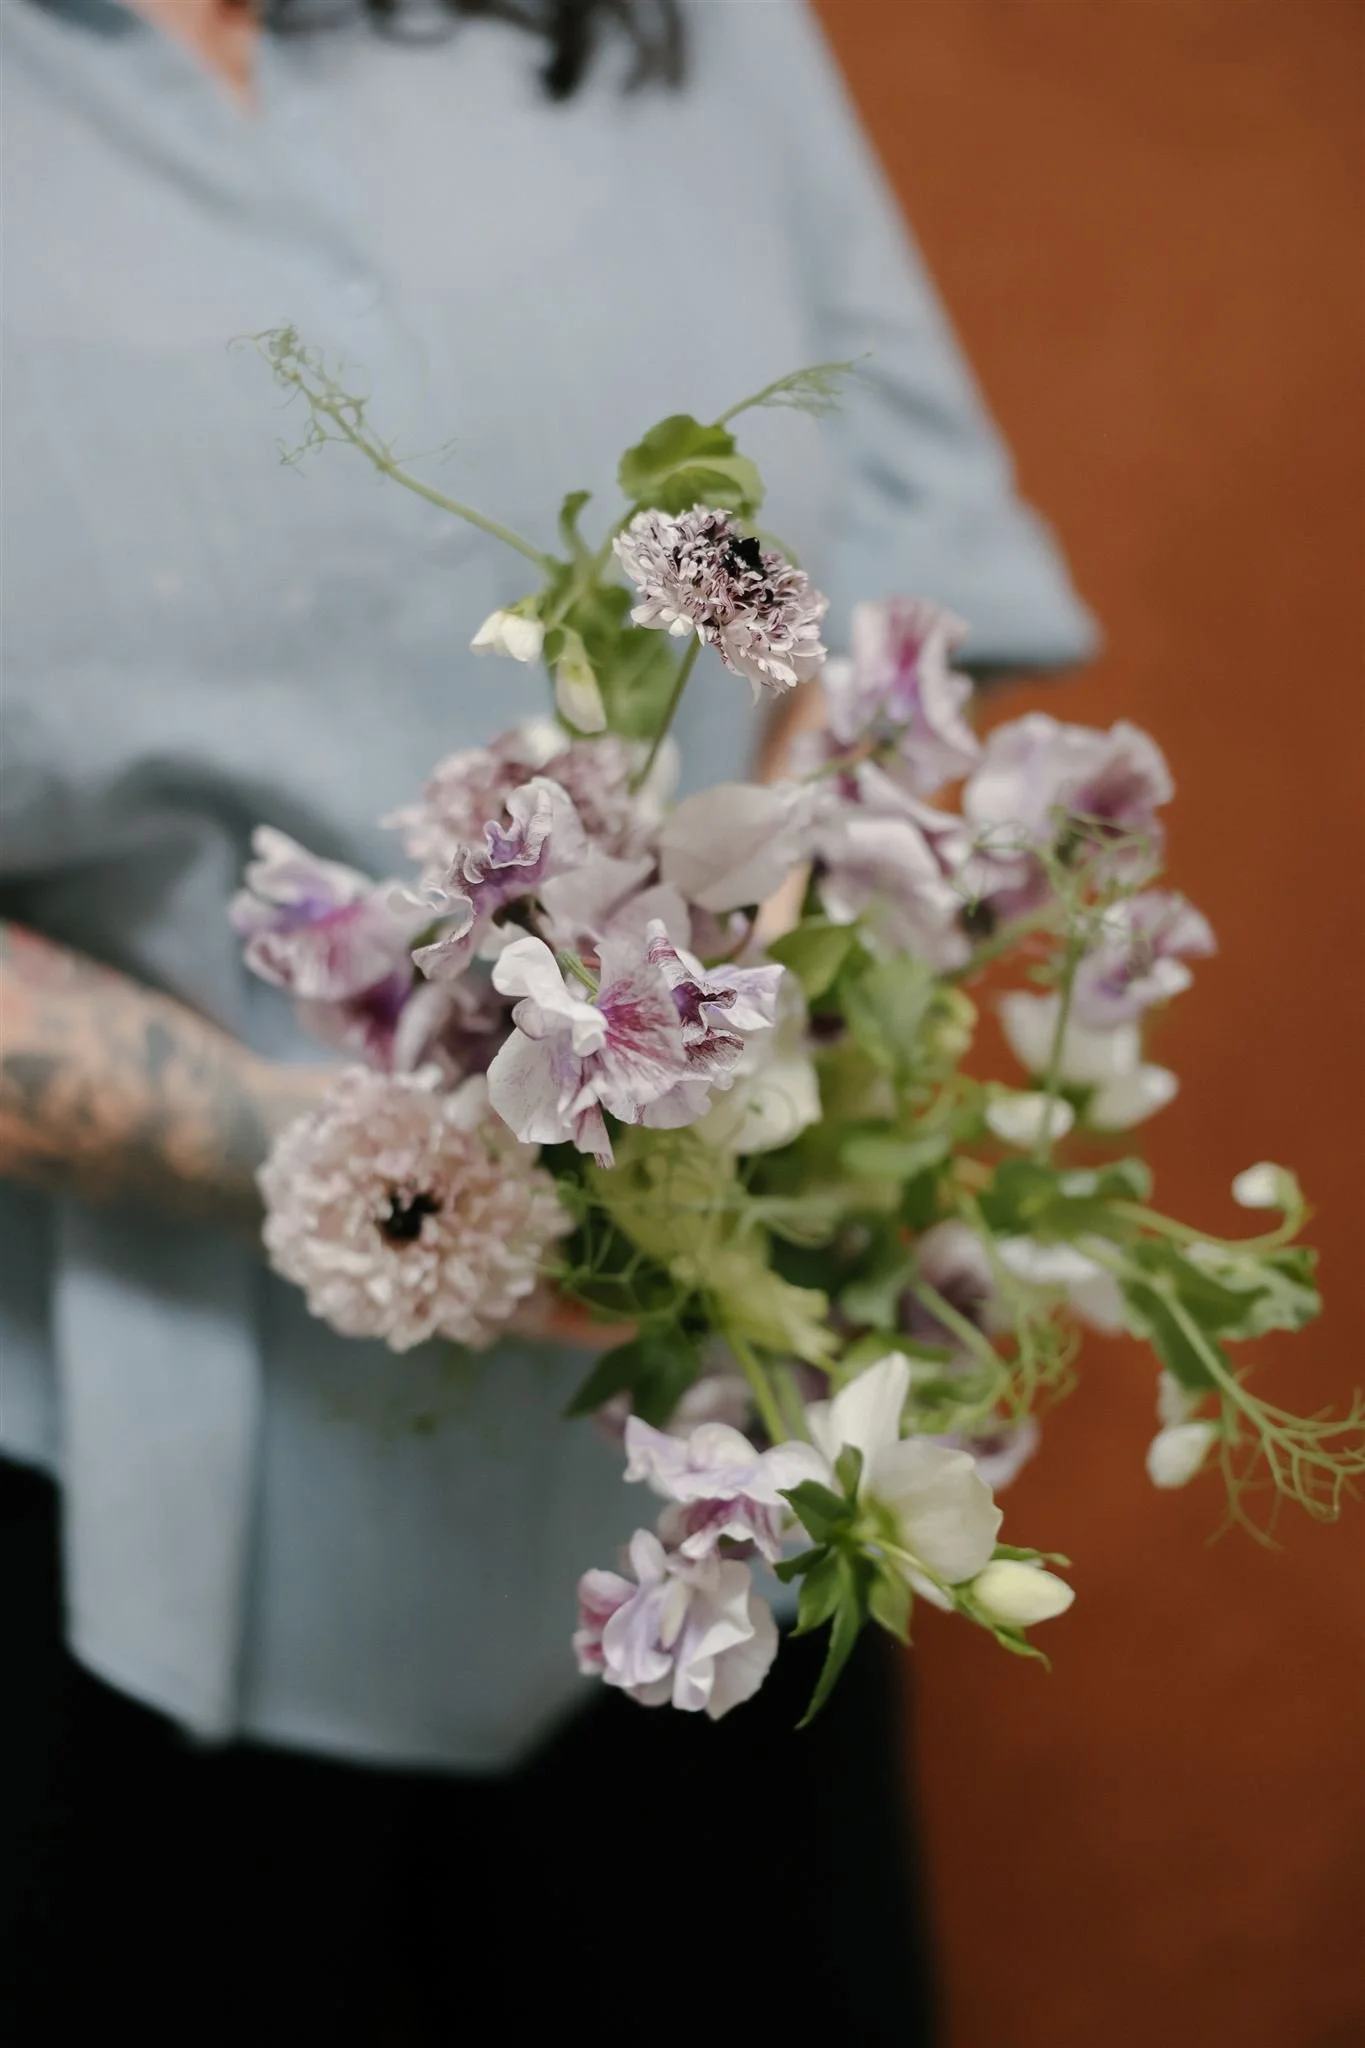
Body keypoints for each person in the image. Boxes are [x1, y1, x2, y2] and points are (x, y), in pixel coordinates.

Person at [0, 1, 1095, 2038]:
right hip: (82, 1520)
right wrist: (376, 1175)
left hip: (714, 1499)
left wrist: (777, 946)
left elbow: (896, 596)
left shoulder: (683, 29)